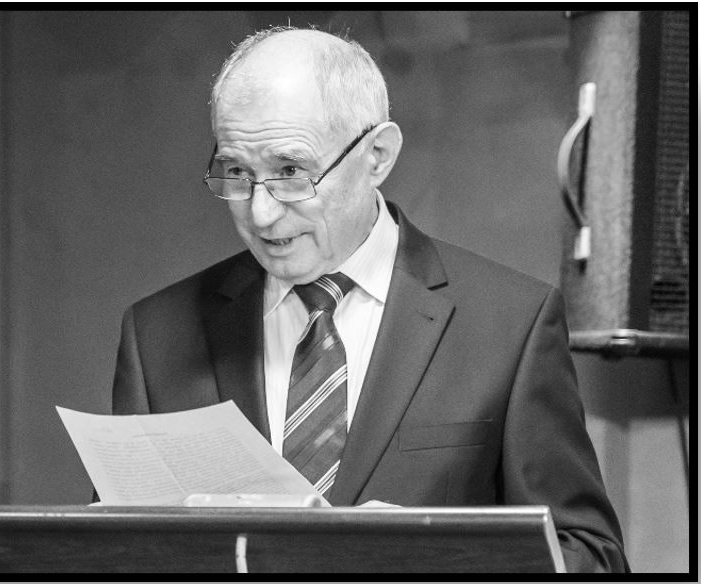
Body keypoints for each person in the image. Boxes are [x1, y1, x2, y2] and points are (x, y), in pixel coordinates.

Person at [109, 27, 628, 573]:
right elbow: (113, 552)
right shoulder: (158, 335)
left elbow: (593, 557)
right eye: (238, 172)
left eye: (291, 172)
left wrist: (423, 559)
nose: (260, 213)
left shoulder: (510, 326)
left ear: (377, 155)